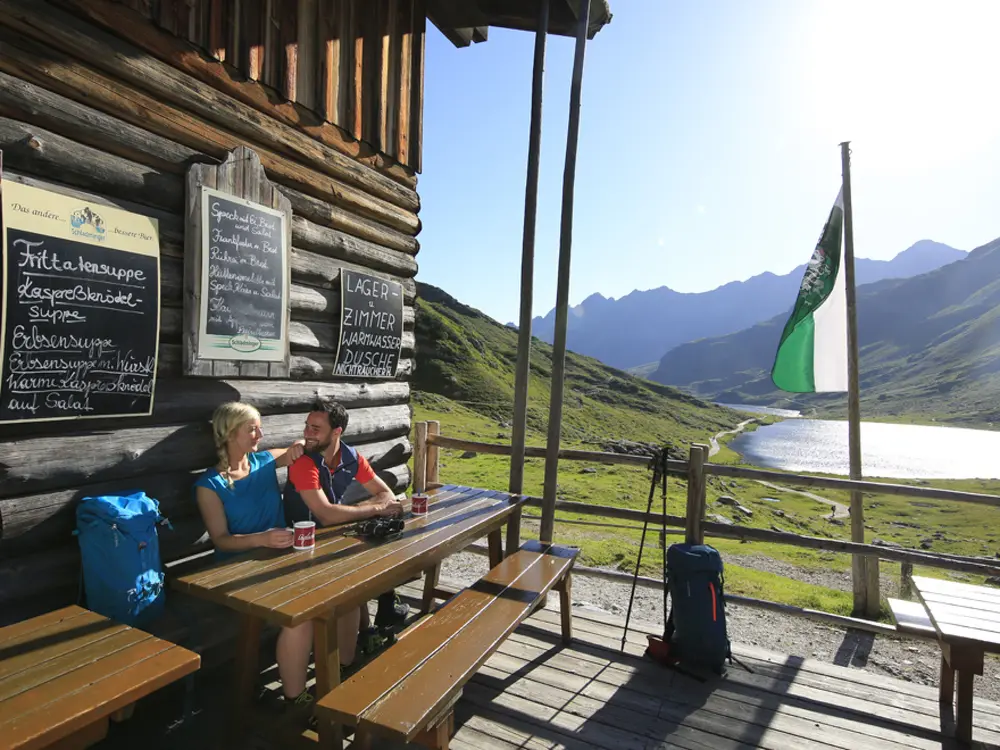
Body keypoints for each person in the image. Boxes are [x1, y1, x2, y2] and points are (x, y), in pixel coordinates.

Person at [193, 401, 359, 712]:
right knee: (302, 617)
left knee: (346, 593)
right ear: (229, 434)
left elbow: (298, 448)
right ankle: (296, 698)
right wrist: (262, 538)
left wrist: (299, 444)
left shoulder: (263, 462)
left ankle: (346, 670)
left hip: (283, 556)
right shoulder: (209, 485)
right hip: (238, 568)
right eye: (252, 428)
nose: (260, 433)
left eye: (259, 427)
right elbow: (222, 541)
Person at [283, 397, 409, 635]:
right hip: (300, 547)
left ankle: (378, 616)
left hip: (332, 537)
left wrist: (375, 506)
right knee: (362, 567)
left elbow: (386, 494)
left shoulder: (351, 457)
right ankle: (367, 629)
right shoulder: (304, 462)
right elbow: (326, 515)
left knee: (383, 544)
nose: (308, 433)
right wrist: (374, 508)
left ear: (337, 431)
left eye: (316, 428)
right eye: (307, 426)